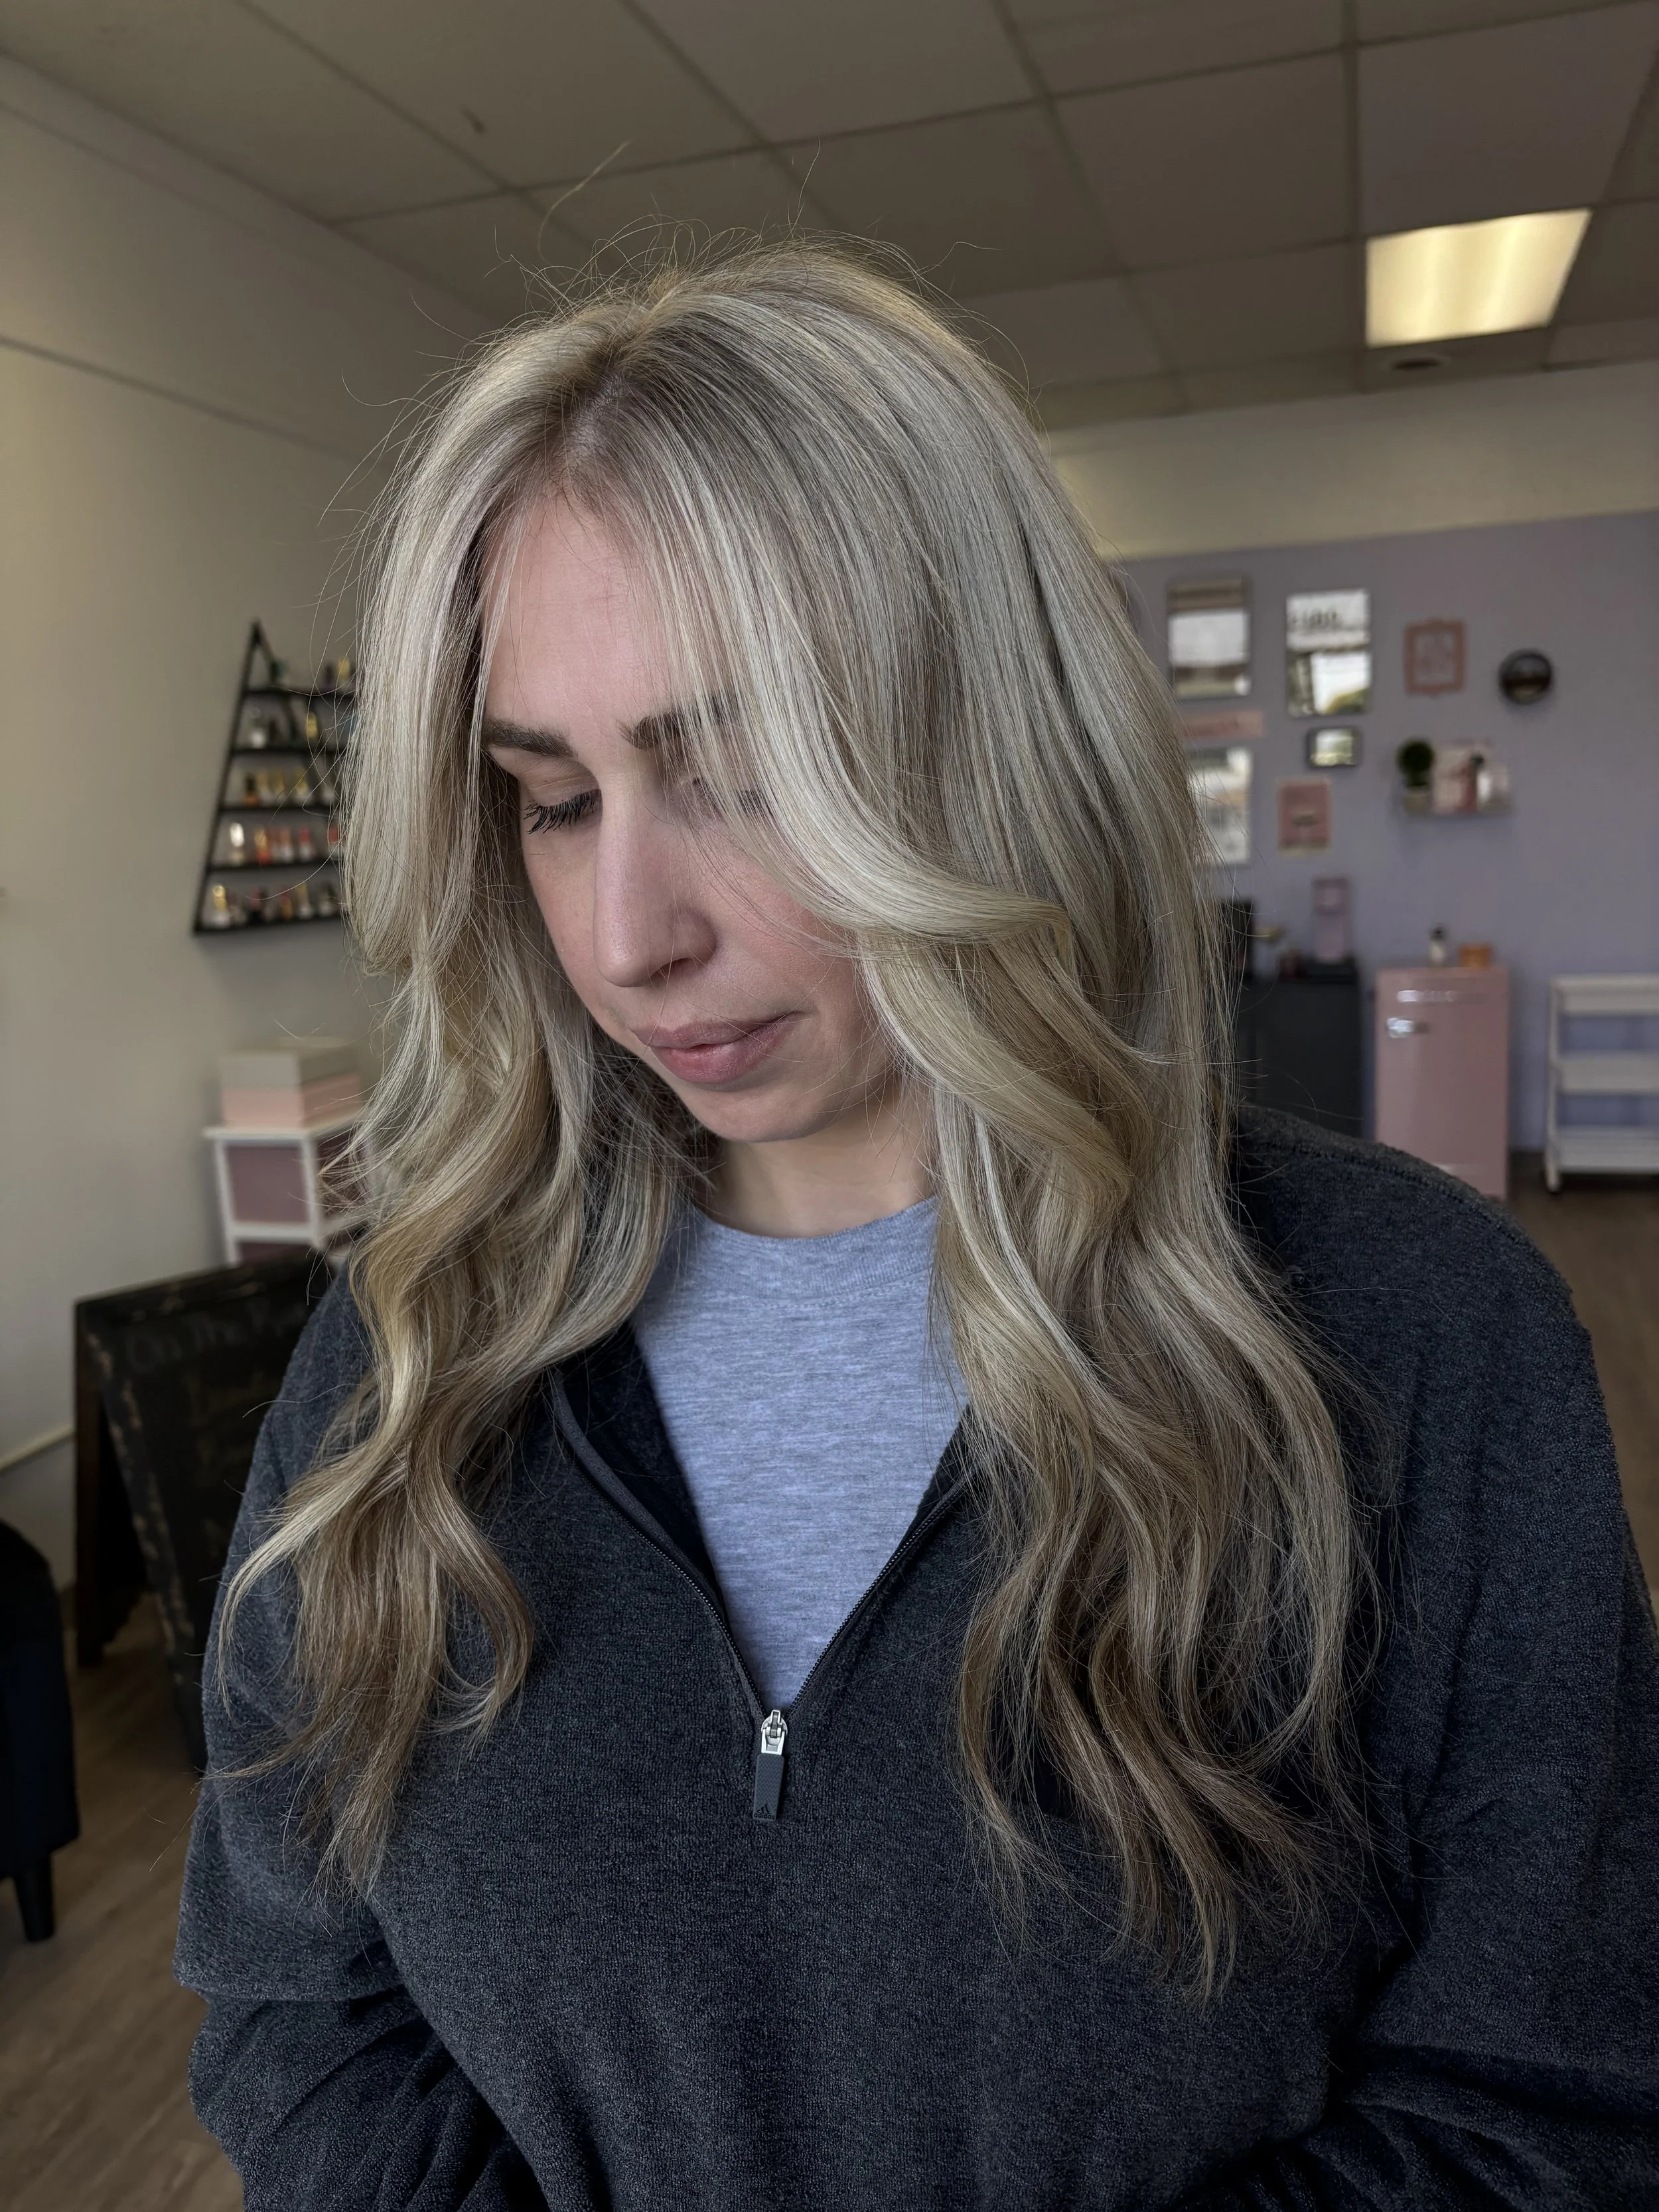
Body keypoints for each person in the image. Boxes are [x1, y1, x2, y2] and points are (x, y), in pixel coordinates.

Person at [175, 246, 1659, 2209]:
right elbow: (293, 2010)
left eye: (746, 772)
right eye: (551, 799)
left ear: (995, 740)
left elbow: (1533, 2108)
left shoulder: (1415, 1335)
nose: (633, 934)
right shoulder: (411, 1341)